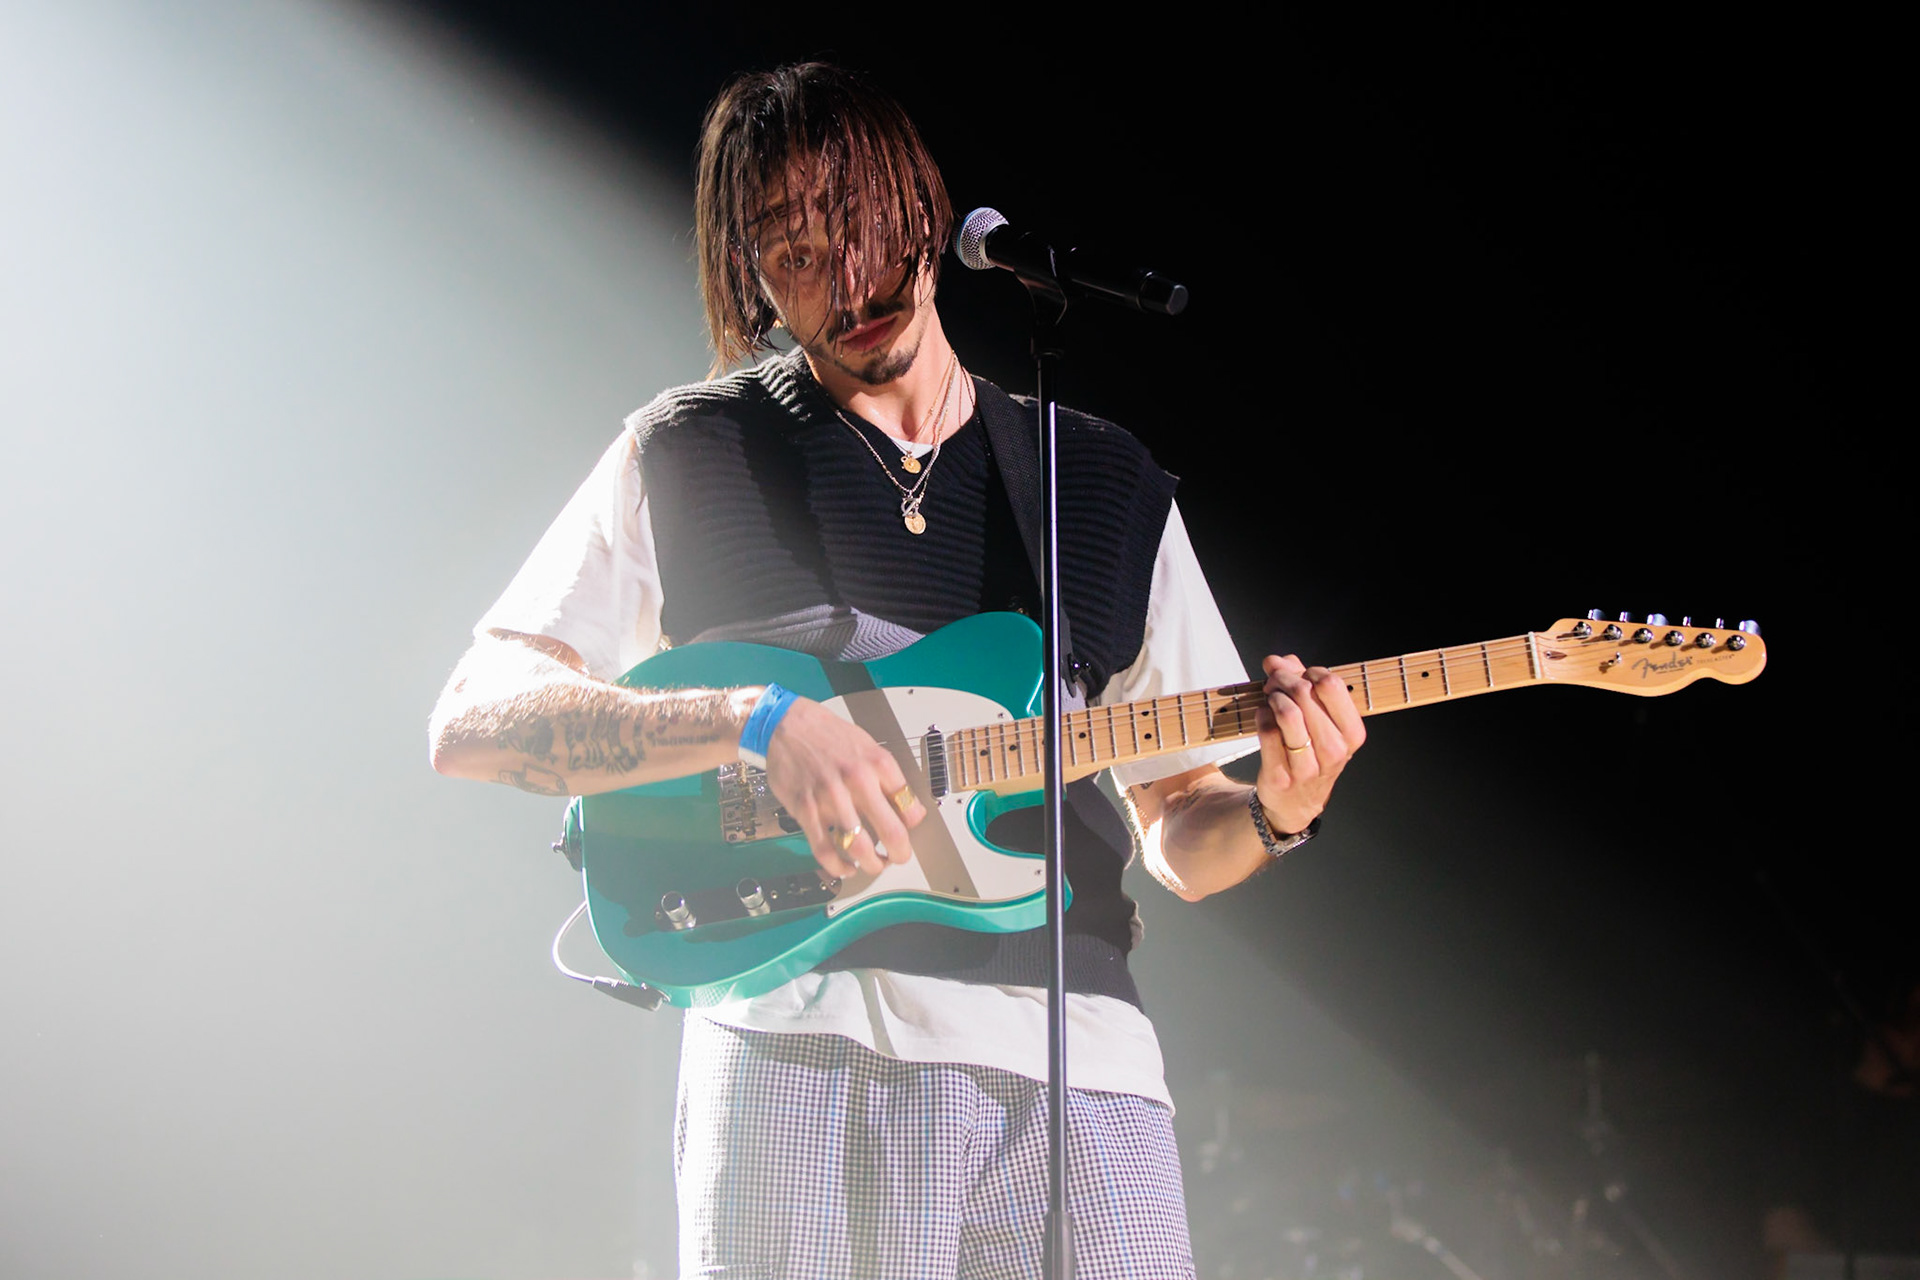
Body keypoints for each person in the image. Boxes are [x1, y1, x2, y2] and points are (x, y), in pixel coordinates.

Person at [429, 62, 1366, 1280]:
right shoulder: (692, 452)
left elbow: (1185, 825)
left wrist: (1283, 809)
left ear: (926, 203)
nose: (845, 271)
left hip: (1083, 1067)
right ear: (751, 277)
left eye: (861, 218)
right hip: (799, 1040)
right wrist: (756, 718)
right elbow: (476, 716)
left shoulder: (1101, 481)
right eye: (792, 248)